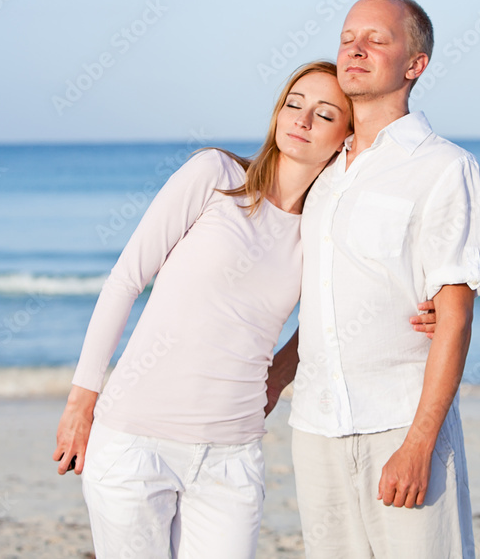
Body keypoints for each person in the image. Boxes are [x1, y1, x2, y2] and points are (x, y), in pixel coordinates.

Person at [52, 61, 360, 558]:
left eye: (324, 115)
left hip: (232, 457)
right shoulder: (215, 174)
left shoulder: (323, 230)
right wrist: (79, 403)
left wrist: (278, 378)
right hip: (134, 442)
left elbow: (336, 318)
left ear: (346, 137)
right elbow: (126, 280)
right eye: (294, 104)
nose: (301, 121)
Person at [266, 0, 480, 558]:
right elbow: (324, 303)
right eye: (347, 38)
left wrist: (420, 444)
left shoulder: (444, 167)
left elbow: (456, 320)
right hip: (315, 426)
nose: (355, 49)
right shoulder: (321, 172)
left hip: (400, 420)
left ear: (414, 65)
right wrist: (275, 376)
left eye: (377, 39)